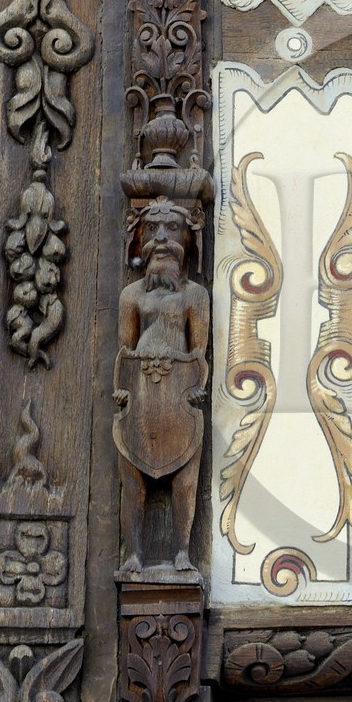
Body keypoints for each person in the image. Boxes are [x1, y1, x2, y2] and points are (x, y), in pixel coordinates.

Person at [113, 199, 209, 574]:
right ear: (139, 240)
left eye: (172, 230)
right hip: (138, 400)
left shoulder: (194, 296)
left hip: (179, 400)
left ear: (188, 239)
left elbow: (198, 353)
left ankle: (182, 551)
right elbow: (125, 352)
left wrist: (196, 386)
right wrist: (122, 390)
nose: (162, 239)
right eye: (152, 230)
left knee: (185, 481)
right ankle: (134, 554)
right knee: (132, 483)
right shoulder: (131, 296)